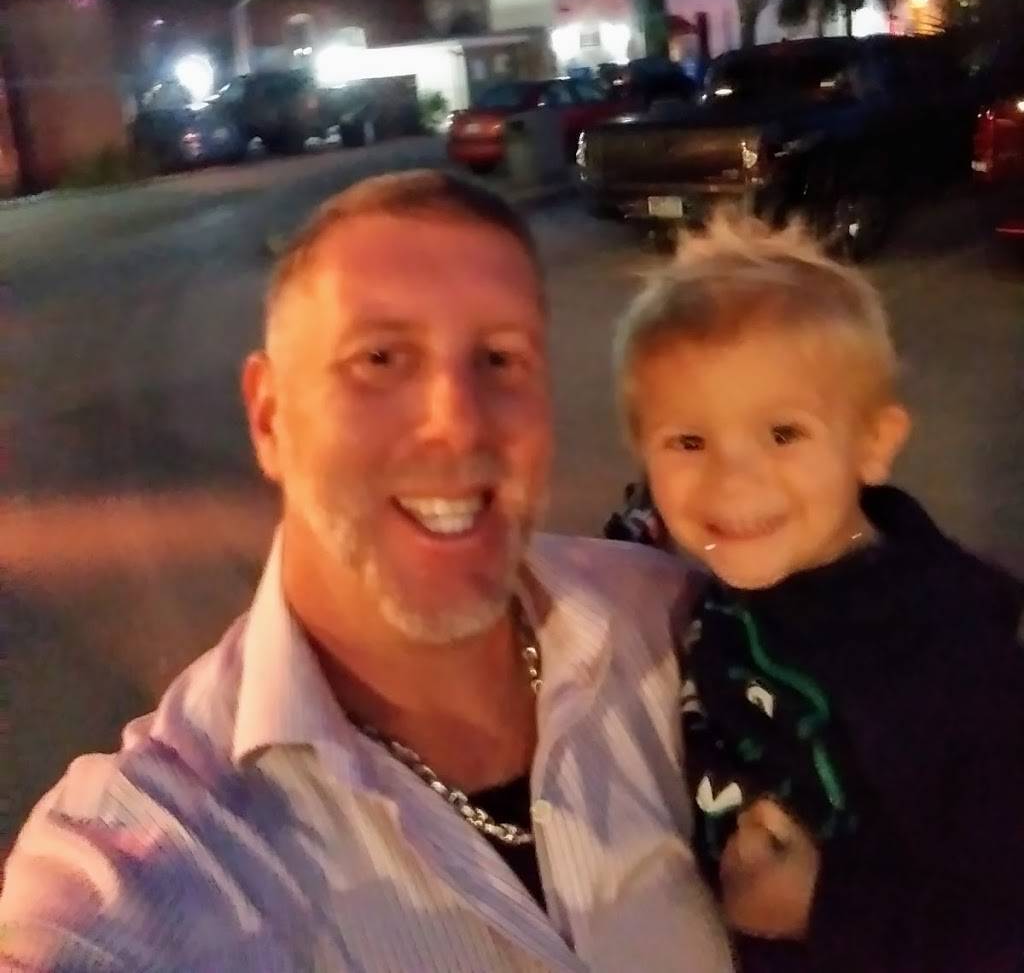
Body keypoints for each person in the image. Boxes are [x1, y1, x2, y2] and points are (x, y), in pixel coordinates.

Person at [0, 170, 733, 973]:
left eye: (500, 357)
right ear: (270, 417)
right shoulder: (160, 851)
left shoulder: (678, 624)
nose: (457, 421)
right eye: (379, 358)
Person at [613, 212, 1024, 973]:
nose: (733, 480)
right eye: (688, 442)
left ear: (873, 443)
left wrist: (824, 907)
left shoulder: (951, 648)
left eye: (784, 433)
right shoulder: (716, 590)